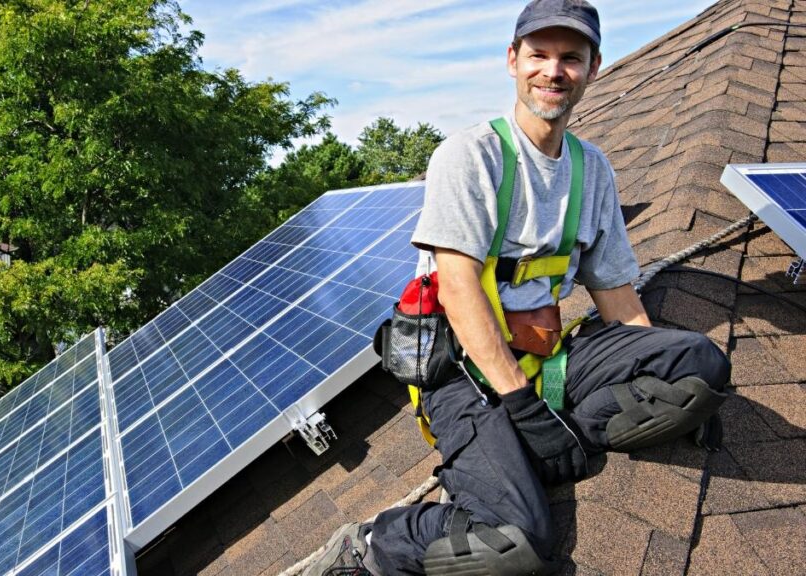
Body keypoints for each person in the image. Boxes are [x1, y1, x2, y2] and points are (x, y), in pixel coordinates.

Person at [305, 1, 731, 574]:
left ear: (593, 67)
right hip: (462, 372)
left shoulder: (592, 169)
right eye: (539, 55)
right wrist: (525, 408)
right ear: (513, 60)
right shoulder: (472, 156)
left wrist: (664, 381)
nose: (553, 71)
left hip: (545, 354)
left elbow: (617, 296)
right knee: (513, 545)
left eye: (571, 58)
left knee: (701, 362)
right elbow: (458, 290)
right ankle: (372, 545)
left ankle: (538, 445)